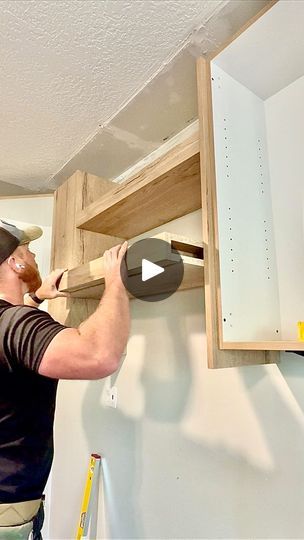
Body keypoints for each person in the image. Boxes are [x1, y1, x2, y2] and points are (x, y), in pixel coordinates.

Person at [0, 219, 130, 539]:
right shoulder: (16, 323)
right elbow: (100, 355)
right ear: (16, 263)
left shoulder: (10, 323)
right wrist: (117, 281)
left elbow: (11, 344)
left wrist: (37, 297)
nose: (33, 257)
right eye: (27, 251)